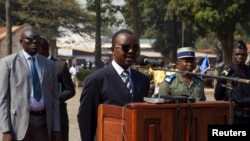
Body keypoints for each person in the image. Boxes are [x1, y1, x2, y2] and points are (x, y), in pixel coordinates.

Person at [77, 29, 150, 141]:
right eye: (125, 47)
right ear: (112, 50)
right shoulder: (96, 80)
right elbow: (86, 119)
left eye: (135, 48)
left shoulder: (142, 80)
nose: (131, 51)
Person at [0, 28, 60, 141]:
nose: (34, 43)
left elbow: (54, 98)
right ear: (21, 41)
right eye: (30, 40)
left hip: (43, 123)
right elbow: (3, 99)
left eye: (37, 40)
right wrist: (6, 130)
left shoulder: (49, 65)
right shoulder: (8, 63)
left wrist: (56, 128)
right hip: (18, 124)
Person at [38, 37, 75, 141]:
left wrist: (53, 99)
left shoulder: (60, 66)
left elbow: (70, 90)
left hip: (58, 116)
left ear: (40, 49)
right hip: (38, 118)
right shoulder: (33, 65)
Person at [214, 40, 250, 124]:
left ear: (246, 56)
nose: (240, 57)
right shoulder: (226, 73)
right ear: (233, 56)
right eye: (237, 54)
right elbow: (218, 96)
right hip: (234, 116)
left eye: (243, 54)